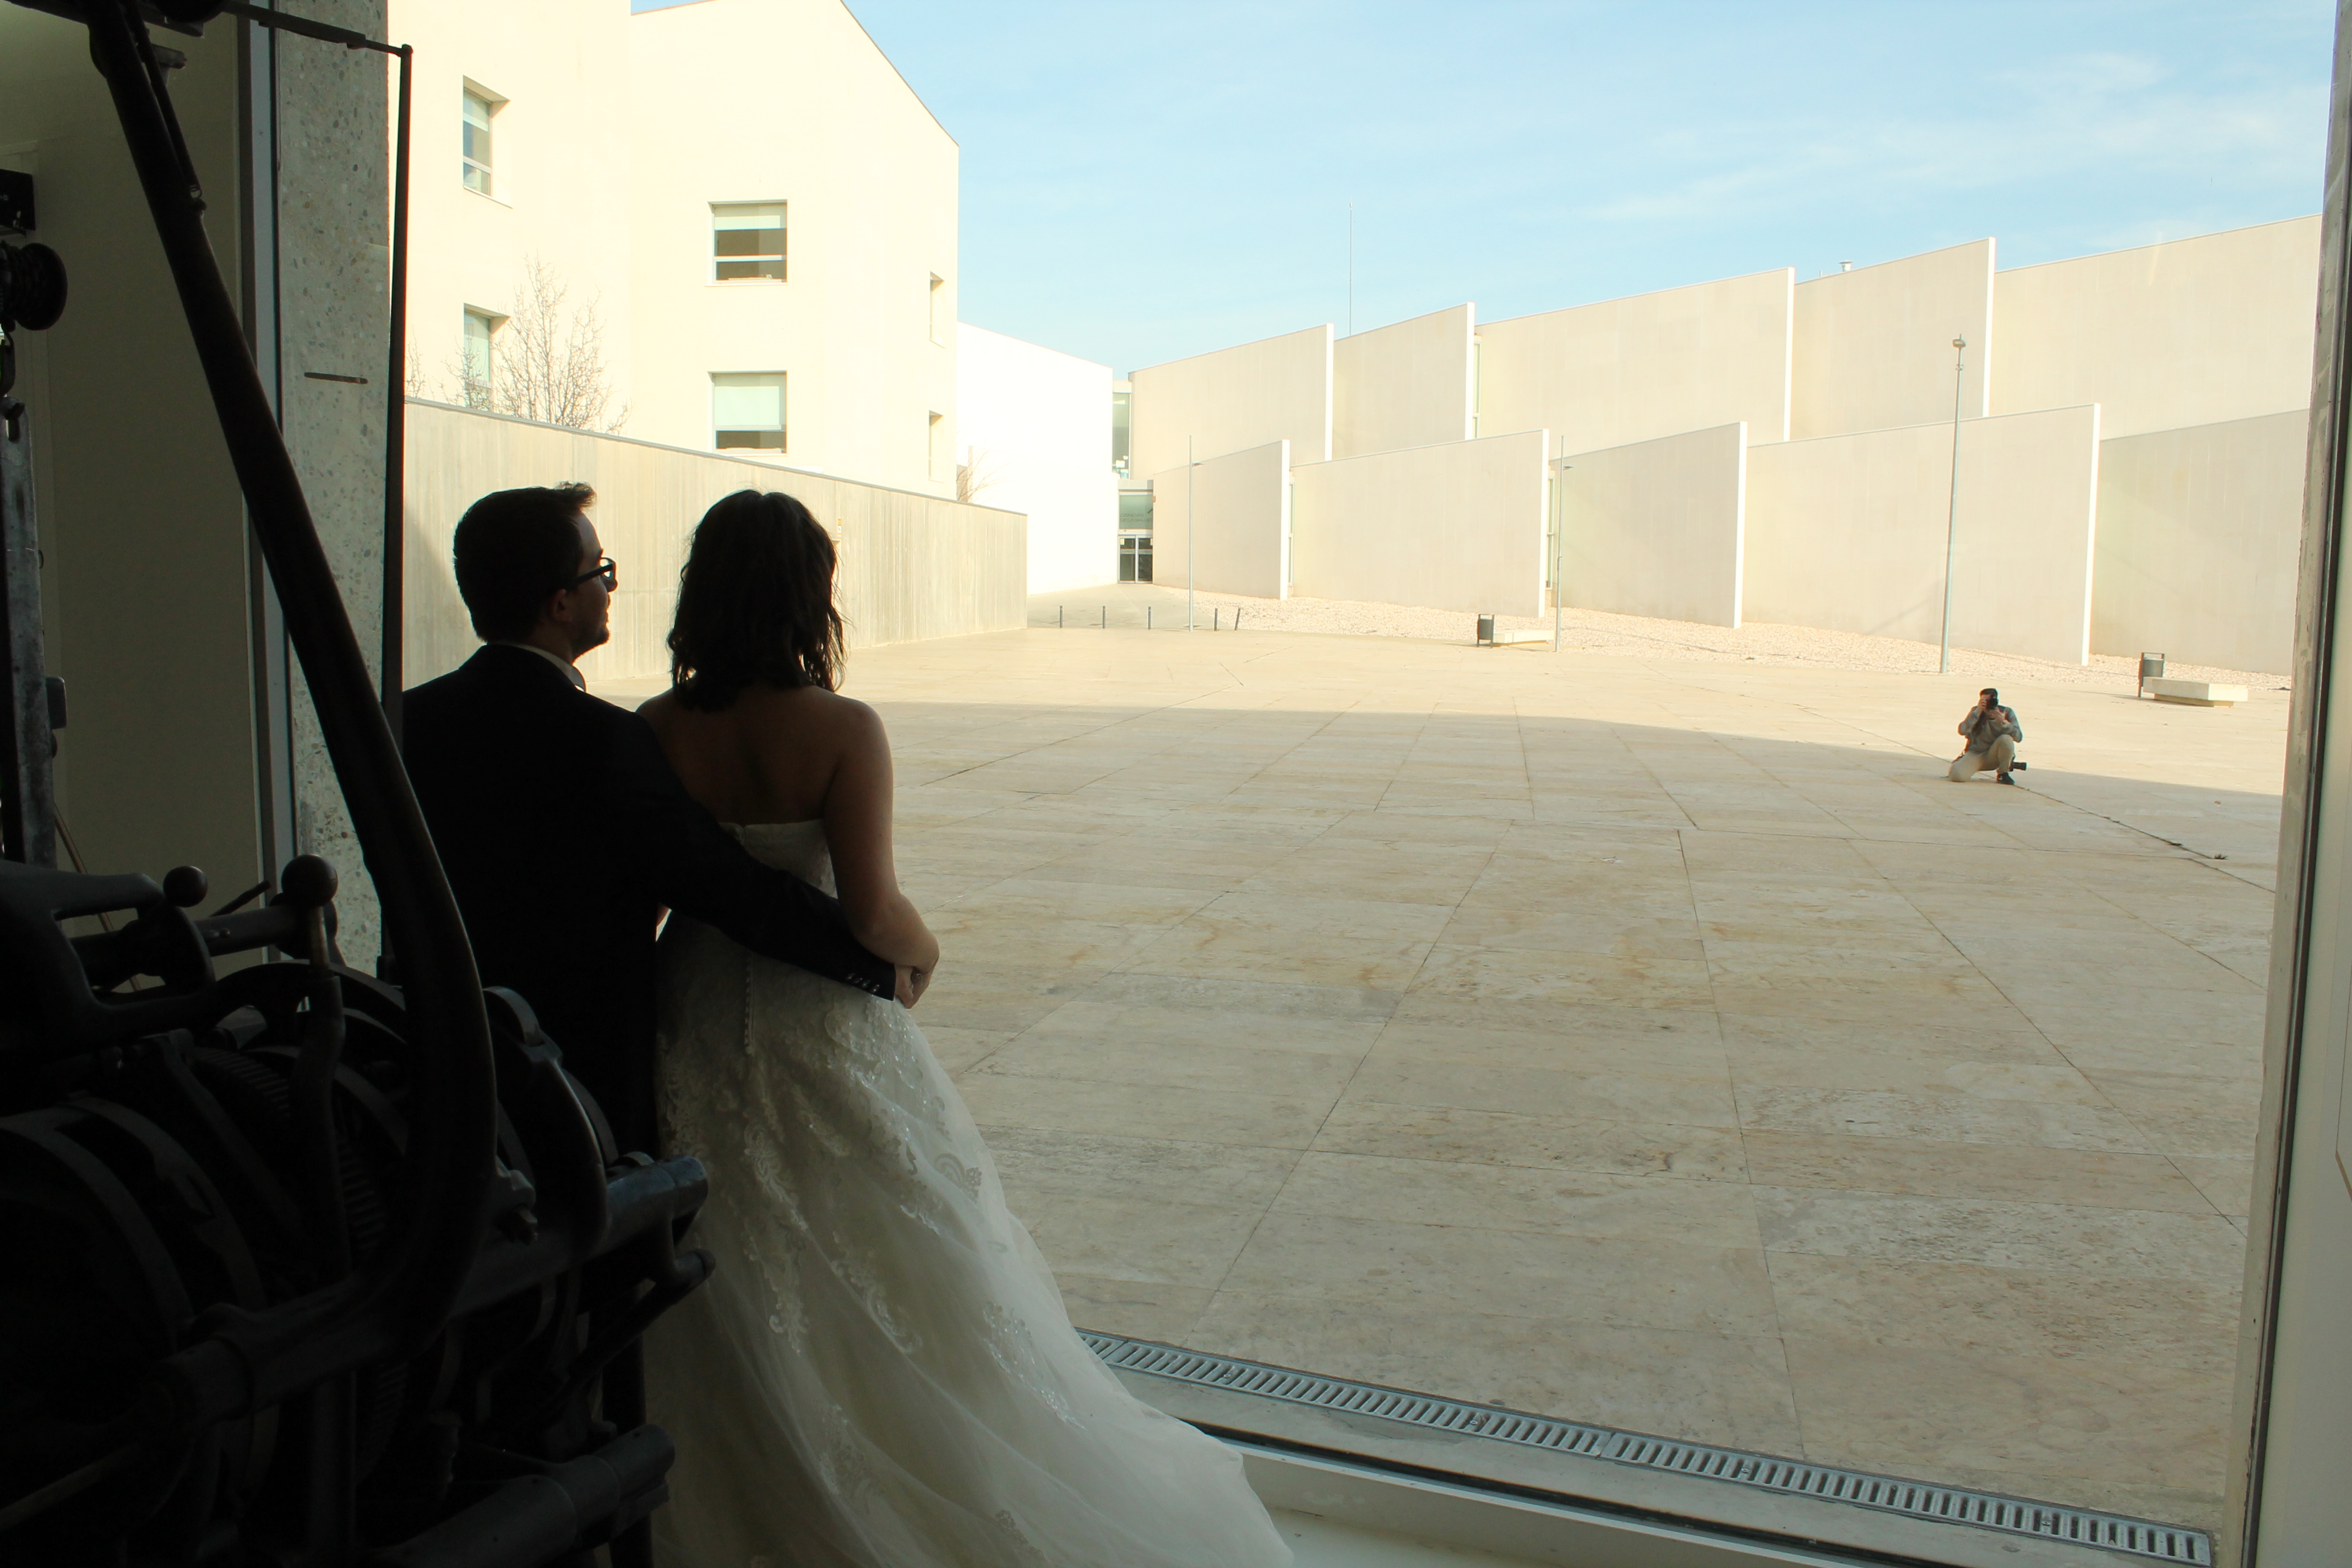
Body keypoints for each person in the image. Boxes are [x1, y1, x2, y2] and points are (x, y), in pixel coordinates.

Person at [638, 490, 1292, 1568]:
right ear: (811, 594)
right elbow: (869, 908)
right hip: (816, 1018)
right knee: (885, 1253)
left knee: (722, 1256)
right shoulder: (844, 731)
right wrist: (926, 953)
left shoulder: (658, 732)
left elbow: (652, 896)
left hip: (695, 1004)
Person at [399, 482, 921, 1155]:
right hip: (582, 1052)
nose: (610, 586)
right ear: (560, 601)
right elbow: (728, 888)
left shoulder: (411, 719)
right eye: (600, 570)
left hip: (448, 1039)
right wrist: (883, 963)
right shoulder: (607, 738)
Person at [1950, 687, 2023, 785]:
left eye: (1989, 701)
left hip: (1995, 755)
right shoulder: (1976, 712)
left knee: (2006, 739)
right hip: (1976, 754)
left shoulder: (2007, 712)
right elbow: (1962, 731)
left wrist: (2003, 722)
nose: (1988, 704)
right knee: (1957, 776)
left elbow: (2019, 737)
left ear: (1996, 701)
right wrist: (1977, 712)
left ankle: (2003, 773)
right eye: (1983, 701)